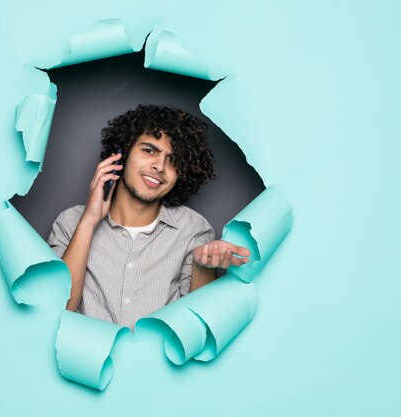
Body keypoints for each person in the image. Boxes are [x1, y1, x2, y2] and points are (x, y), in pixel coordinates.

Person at [48, 105, 250, 329]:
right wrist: (88, 222)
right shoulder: (70, 223)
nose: (160, 166)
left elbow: (197, 326)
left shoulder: (193, 229)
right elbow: (56, 309)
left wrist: (203, 267)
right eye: (149, 151)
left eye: (173, 160)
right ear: (120, 154)